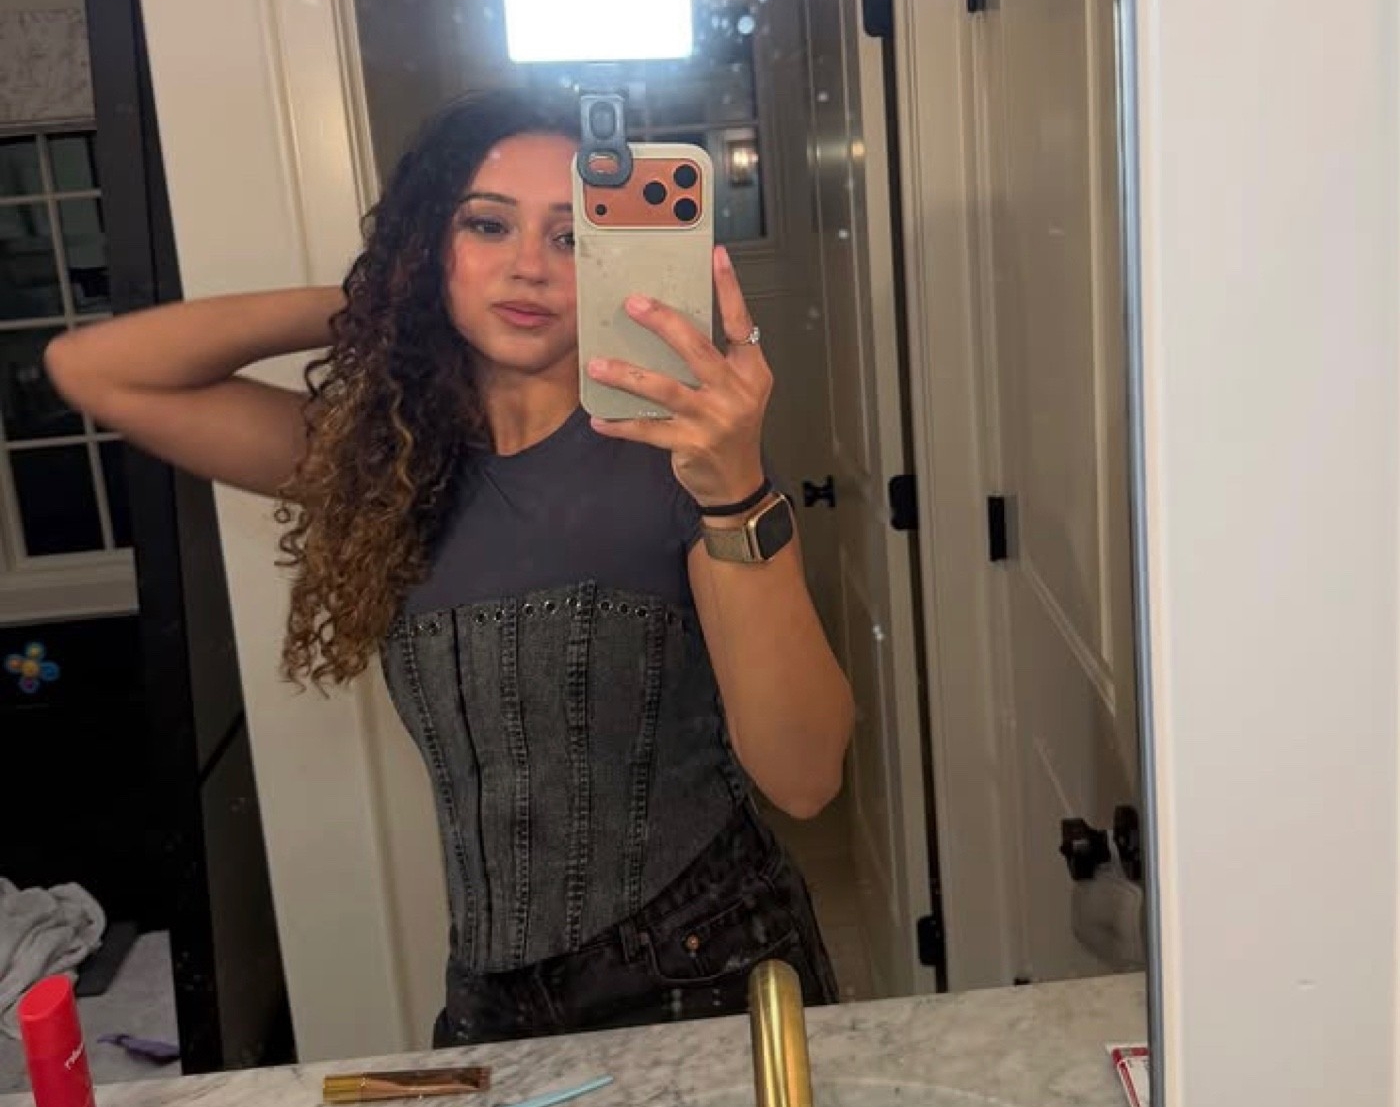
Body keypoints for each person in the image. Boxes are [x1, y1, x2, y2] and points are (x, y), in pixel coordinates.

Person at [46, 90, 853, 1045]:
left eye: (571, 236)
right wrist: (384, 296)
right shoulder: (385, 463)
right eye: (486, 225)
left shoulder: (683, 459)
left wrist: (736, 493)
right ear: (431, 245)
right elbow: (96, 369)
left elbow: (805, 778)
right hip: (489, 997)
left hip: (708, 969)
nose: (528, 266)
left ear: (615, 257)